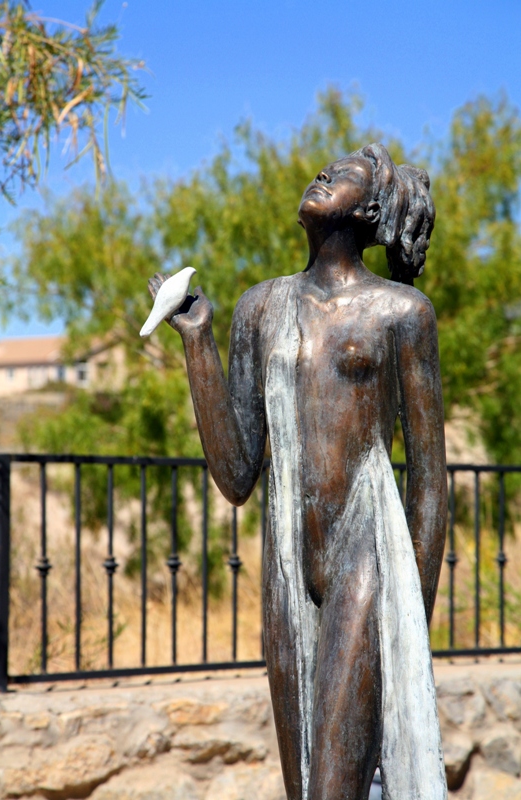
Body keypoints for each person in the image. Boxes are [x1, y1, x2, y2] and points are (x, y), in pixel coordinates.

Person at [148, 143, 448, 800]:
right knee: (303, 784)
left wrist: (411, 623)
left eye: (344, 174)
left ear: (371, 211)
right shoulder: (260, 308)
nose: (322, 174)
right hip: (286, 562)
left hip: (367, 557)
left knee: (333, 787)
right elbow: (235, 475)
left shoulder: (401, 313)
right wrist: (197, 342)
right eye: (324, 169)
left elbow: (429, 484)